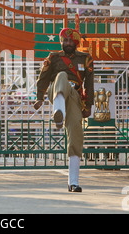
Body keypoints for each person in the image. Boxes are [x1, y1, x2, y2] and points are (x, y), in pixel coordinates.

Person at [34, 28, 94, 192]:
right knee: (61, 76)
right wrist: (39, 98)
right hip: (56, 90)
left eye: (70, 41)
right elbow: (43, 77)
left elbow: (89, 83)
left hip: (74, 96)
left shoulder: (86, 58)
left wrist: (88, 105)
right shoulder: (53, 57)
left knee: (76, 132)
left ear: (75, 43)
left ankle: (73, 182)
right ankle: (58, 113)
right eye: (64, 41)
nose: (67, 44)